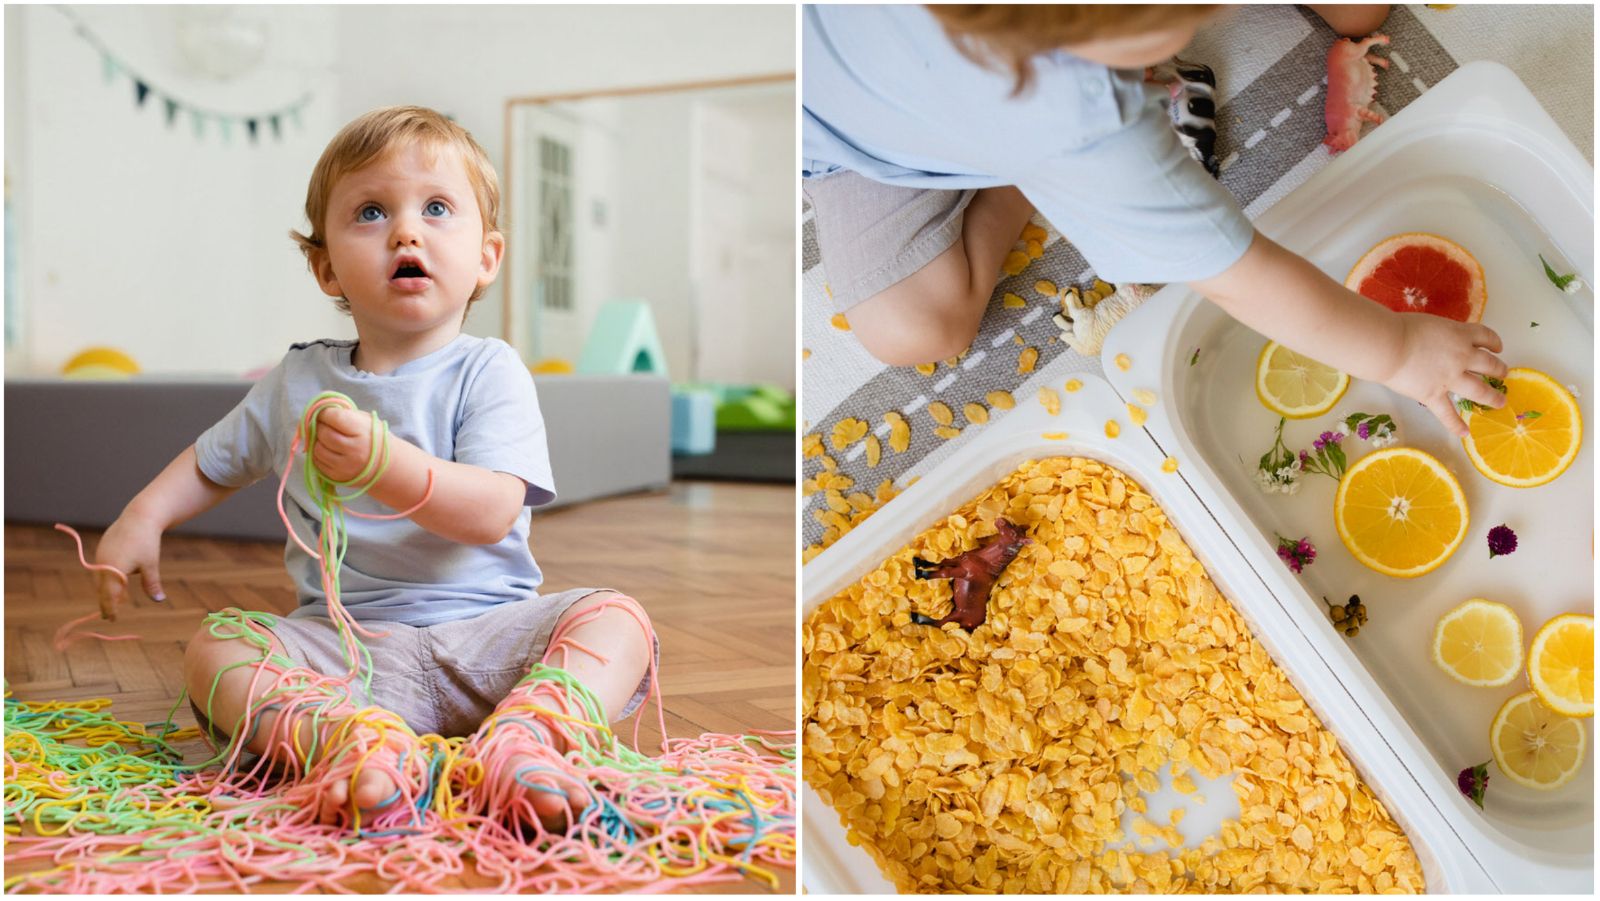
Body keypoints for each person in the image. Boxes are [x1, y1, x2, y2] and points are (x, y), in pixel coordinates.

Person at [90, 106, 654, 832]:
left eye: (438, 208)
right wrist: (143, 517)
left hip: (487, 642)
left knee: (617, 619)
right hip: (345, 652)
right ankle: (351, 744)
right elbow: (213, 461)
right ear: (326, 265)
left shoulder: (490, 370)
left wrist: (388, 466)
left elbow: (490, 512)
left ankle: (530, 739)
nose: (406, 231)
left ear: (486, 255)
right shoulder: (297, 379)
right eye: (371, 211)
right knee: (215, 646)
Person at [803, 4, 1506, 435]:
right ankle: (1043, 176)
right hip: (853, 146)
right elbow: (1241, 277)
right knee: (913, 326)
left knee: (1361, 13)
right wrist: (1399, 352)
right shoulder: (1087, 122)